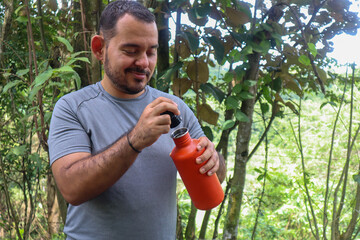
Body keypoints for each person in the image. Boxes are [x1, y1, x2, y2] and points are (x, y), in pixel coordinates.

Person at [48, 1, 225, 239]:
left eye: (151, 51)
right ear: (100, 48)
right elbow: (71, 188)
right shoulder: (73, 108)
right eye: (131, 51)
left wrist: (214, 160)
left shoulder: (174, 108)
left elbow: (215, 177)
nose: (144, 62)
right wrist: (135, 140)